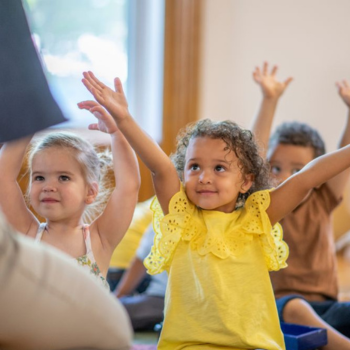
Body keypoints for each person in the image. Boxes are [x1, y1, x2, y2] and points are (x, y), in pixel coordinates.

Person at [81, 70, 350, 350]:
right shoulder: (181, 215)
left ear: (246, 181)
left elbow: (307, 177)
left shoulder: (257, 217)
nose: (204, 177)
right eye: (194, 166)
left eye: (219, 168)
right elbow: (160, 166)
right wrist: (123, 119)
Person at [251, 61, 350, 349]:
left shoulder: (323, 196)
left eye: (298, 170)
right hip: (280, 309)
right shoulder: (263, 206)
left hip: (328, 310)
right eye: (275, 167)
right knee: (295, 306)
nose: (284, 178)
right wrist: (270, 100)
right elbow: (253, 153)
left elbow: (342, 159)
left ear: (316, 175)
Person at [0, 100, 140, 289]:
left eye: (63, 178)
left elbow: (128, 186)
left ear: (90, 192)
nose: (48, 186)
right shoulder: (28, 234)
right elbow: (3, 177)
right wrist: (29, 120)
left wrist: (117, 132)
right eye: (40, 177)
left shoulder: (99, 239)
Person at [115, 224, 167, 331]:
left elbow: (140, 260)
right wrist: (118, 296)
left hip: (165, 297)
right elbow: (140, 260)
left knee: (111, 311)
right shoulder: (158, 220)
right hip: (156, 293)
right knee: (110, 307)